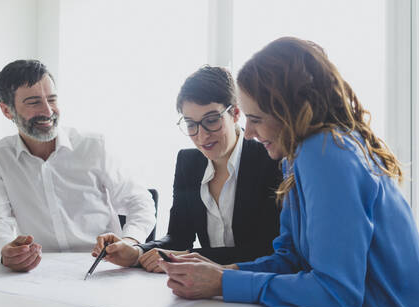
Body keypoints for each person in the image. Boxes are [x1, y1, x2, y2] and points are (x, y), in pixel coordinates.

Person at [158, 37, 419, 307]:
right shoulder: (300, 156)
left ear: (289, 111)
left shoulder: (325, 153)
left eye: (256, 119)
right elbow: (290, 259)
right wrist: (223, 270)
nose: (249, 133)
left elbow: (338, 292)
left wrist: (224, 283)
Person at [93, 66, 282, 272]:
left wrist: (190, 257)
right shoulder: (188, 162)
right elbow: (178, 237)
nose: (202, 136)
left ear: (235, 113)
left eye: (211, 121)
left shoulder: (268, 159)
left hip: (252, 285)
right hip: (202, 290)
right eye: (191, 124)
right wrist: (136, 251)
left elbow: (265, 249)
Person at [0, 59, 156, 272]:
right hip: (38, 273)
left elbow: (140, 202)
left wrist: (130, 241)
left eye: (51, 99)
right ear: (7, 110)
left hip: (102, 269)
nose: (48, 110)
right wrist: (3, 251)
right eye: (34, 102)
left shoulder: (95, 146)